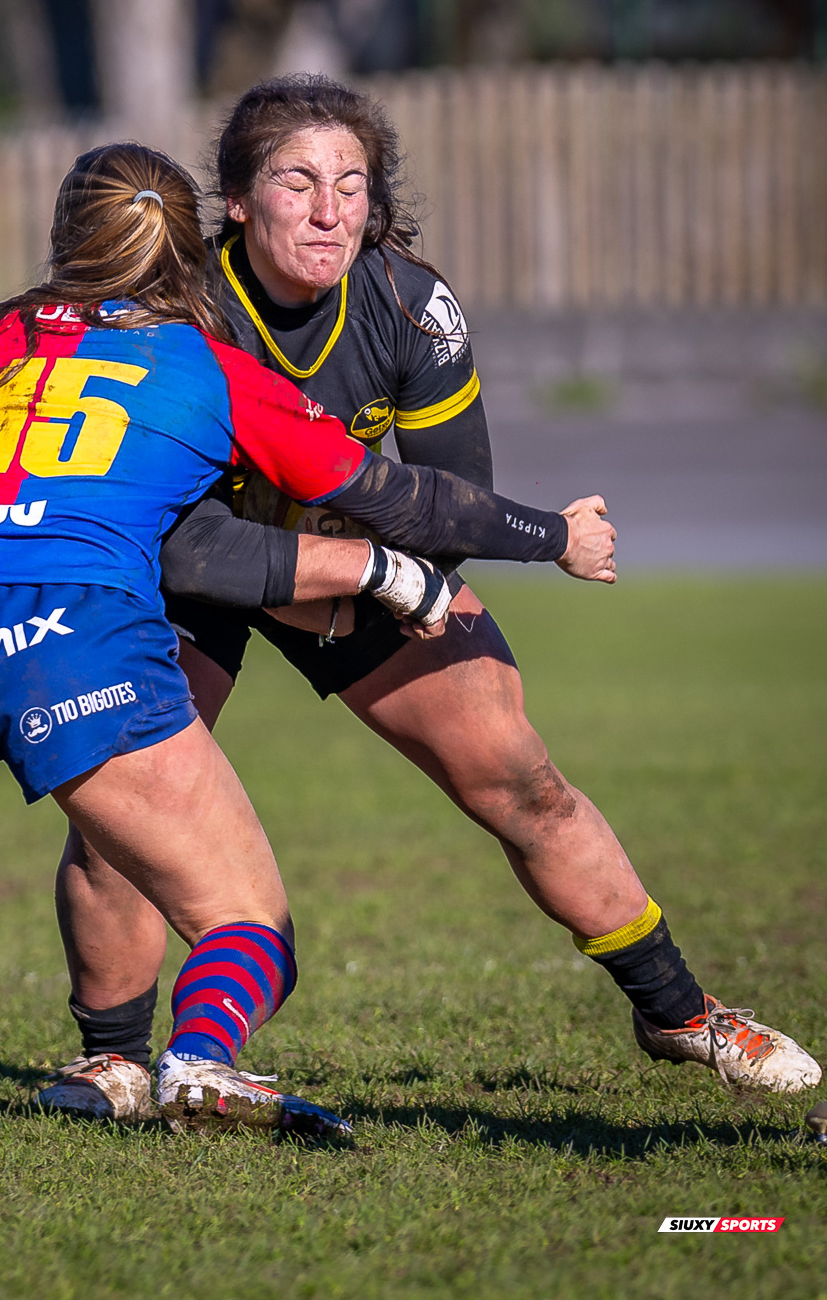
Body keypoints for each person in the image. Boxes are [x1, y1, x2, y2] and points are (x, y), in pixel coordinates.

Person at [0, 141, 615, 1142]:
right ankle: (198, 1060)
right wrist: (551, 536)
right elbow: (397, 495)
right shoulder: (217, 371)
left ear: (64, 241)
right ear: (194, 252)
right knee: (247, 922)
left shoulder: (1, 338)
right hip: (77, 633)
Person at [46, 81, 821, 1122]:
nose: (329, 211)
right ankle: (111, 1060)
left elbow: (445, 505)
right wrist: (331, 570)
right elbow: (179, 544)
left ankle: (677, 1013)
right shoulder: (178, 307)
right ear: (236, 199)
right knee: (120, 818)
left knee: (519, 775)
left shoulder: (411, 304)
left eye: (350, 186)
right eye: (297, 181)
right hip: (178, 562)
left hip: (348, 554)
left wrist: (396, 572)